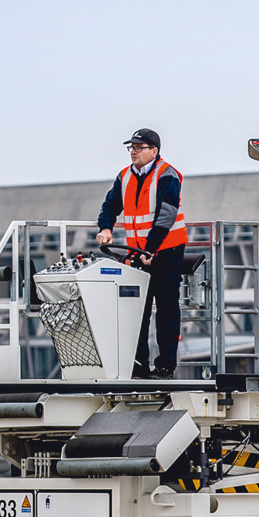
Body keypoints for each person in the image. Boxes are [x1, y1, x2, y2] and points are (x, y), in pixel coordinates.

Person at [96, 128, 188, 377]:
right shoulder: (124, 176)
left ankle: (165, 366)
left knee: (167, 310)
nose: (134, 151)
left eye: (139, 147)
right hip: (137, 253)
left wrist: (151, 248)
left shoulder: (167, 175)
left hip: (166, 251)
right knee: (137, 311)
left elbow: (166, 215)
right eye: (131, 147)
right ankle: (139, 366)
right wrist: (106, 227)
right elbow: (110, 205)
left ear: (154, 151)